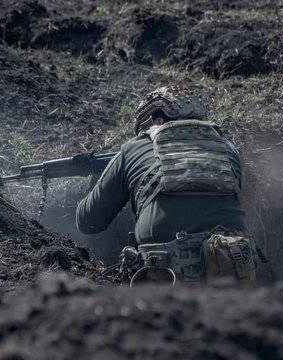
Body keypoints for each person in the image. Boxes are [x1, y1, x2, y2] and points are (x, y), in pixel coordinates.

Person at [76, 86, 259, 285]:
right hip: (231, 264)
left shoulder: (133, 149)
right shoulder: (229, 149)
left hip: (165, 273)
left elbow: (88, 221)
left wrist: (96, 176)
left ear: (157, 121)